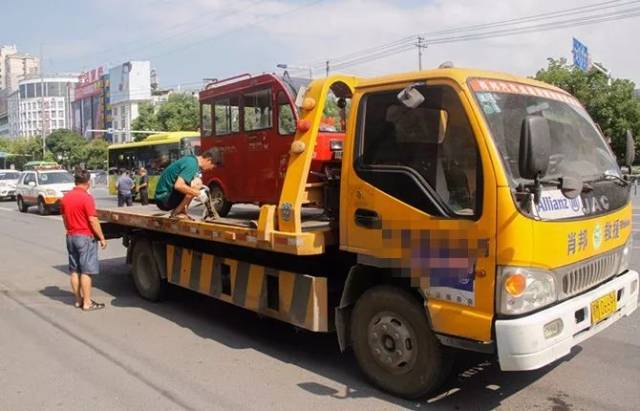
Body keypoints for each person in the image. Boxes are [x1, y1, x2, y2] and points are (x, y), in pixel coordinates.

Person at [60, 169, 107, 311]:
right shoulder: (86, 198)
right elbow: (93, 220)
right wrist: (102, 237)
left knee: (74, 270)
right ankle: (87, 303)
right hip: (85, 237)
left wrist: (69, 230)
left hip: (71, 236)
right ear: (88, 182)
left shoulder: (65, 197)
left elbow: (64, 218)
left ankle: (78, 300)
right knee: (86, 271)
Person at [155, 152, 216, 219]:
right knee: (197, 183)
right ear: (209, 160)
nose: (211, 169)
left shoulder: (190, 160)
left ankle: (181, 211)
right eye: (213, 166)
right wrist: (198, 193)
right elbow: (178, 186)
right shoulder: (192, 164)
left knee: (195, 182)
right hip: (165, 199)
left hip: (162, 197)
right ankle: (178, 212)